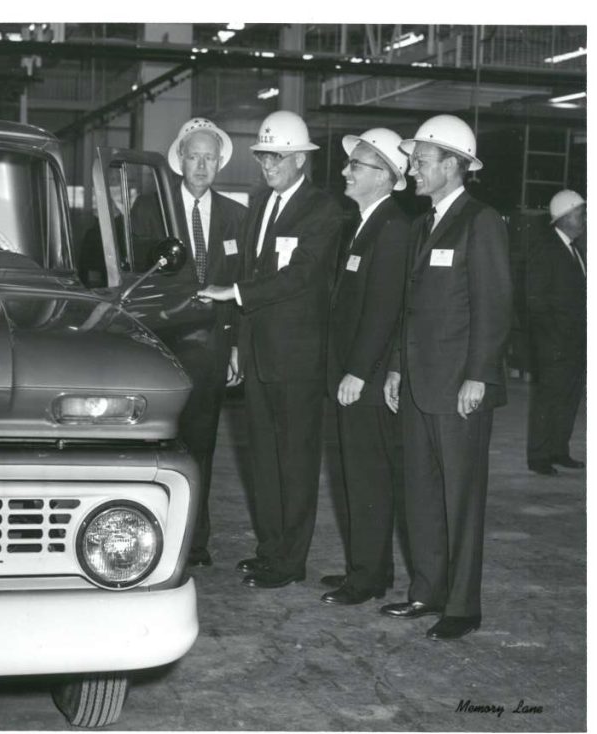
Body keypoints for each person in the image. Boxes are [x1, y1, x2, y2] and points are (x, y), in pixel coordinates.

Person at [198, 110, 341, 588]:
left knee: (295, 462)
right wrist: (240, 342)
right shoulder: (259, 204)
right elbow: (251, 271)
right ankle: (269, 549)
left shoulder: (324, 210)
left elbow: (300, 275)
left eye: (276, 157)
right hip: (258, 353)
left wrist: (235, 296)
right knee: (263, 458)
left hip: (297, 359)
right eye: (262, 156)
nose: (266, 164)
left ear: (300, 158)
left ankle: (290, 561)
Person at [381, 115, 512, 640]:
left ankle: (462, 605)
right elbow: (409, 308)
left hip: (459, 386)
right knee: (421, 494)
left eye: (421, 160)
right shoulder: (423, 224)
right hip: (417, 384)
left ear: (453, 166)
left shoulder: (480, 222)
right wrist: (395, 365)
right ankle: (425, 591)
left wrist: (478, 376)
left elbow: (495, 305)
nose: (412, 168)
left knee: (460, 498)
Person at [130, 118, 247, 566]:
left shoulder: (238, 216)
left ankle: (195, 542)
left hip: (213, 347)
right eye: (194, 156)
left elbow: (241, 286)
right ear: (180, 159)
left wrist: (236, 346)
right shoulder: (149, 210)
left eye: (209, 158)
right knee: (157, 445)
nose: (201, 165)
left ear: (220, 163)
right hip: (164, 344)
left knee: (202, 445)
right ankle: (151, 536)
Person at [320, 128, 411, 607]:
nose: (345, 171)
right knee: (354, 474)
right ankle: (365, 567)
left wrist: (358, 371)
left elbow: (384, 309)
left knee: (368, 476)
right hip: (351, 372)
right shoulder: (360, 224)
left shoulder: (392, 228)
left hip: (366, 379)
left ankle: (369, 578)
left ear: (385, 177)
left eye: (356, 165)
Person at [523, 189, 587, 476]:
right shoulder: (545, 248)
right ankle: (538, 455)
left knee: (569, 397)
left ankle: (559, 450)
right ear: (564, 217)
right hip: (554, 343)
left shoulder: (575, 249)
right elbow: (534, 300)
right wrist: (551, 339)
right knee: (549, 399)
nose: (585, 219)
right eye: (581, 213)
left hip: (576, 342)